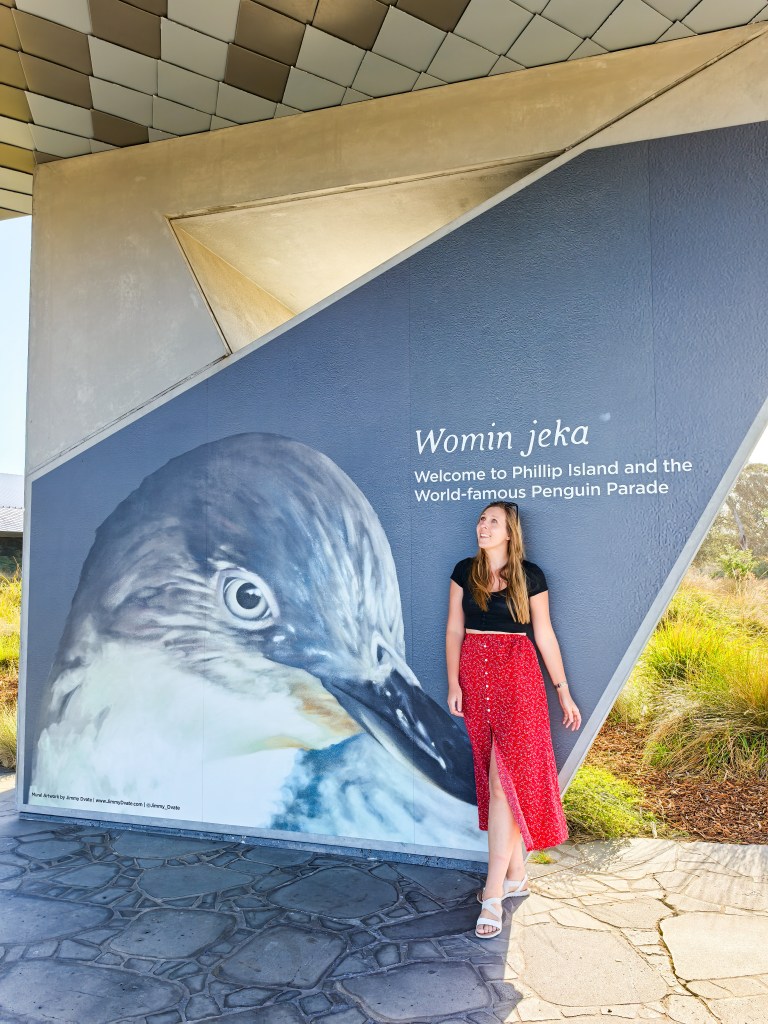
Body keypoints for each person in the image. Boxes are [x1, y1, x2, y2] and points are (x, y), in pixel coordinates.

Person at [446, 502, 581, 939]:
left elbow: (544, 633)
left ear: (509, 533)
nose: (483, 526)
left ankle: (492, 893)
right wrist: (454, 683)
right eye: (482, 520)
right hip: (475, 674)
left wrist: (561, 689)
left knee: (506, 782)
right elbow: (453, 629)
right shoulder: (464, 571)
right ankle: (517, 873)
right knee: (492, 777)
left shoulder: (530, 575)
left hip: (518, 676)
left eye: (493, 522)